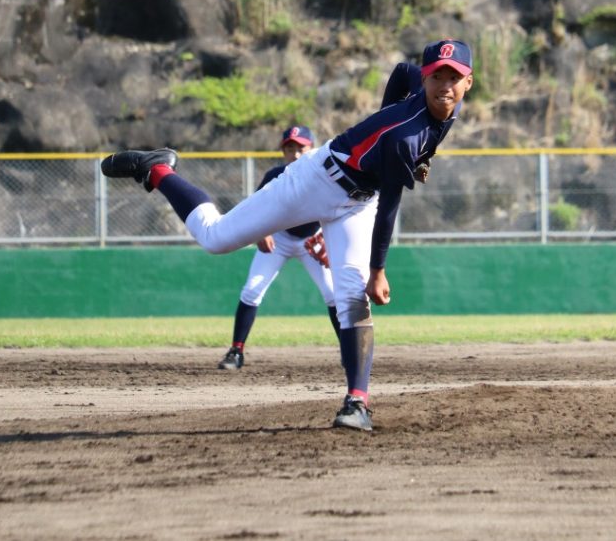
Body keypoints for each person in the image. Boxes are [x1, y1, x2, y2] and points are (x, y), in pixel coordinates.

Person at [102, 38, 473, 431]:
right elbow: (390, 207)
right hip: (316, 181)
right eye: (436, 76)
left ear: (469, 82)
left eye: (454, 77)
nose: (444, 85)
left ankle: (357, 403)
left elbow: (401, 72)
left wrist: (383, 122)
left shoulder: (445, 103)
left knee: (350, 293)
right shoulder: (404, 137)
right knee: (215, 237)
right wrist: (378, 270)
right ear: (426, 77)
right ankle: (158, 169)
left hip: (358, 201)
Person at [217, 125, 340, 371]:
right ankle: (236, 352)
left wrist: (328, 236)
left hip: (312, 240)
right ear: (283, 152)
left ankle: (350, 353)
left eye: (301, 148)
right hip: (279, 239)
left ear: (312, 148)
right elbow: (256, 208)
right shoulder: (275, 175)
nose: (295, 154)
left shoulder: (324, 175)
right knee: (252, 290)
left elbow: (338, 208)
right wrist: (261, 232)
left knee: (333, 294)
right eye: (290, 148)